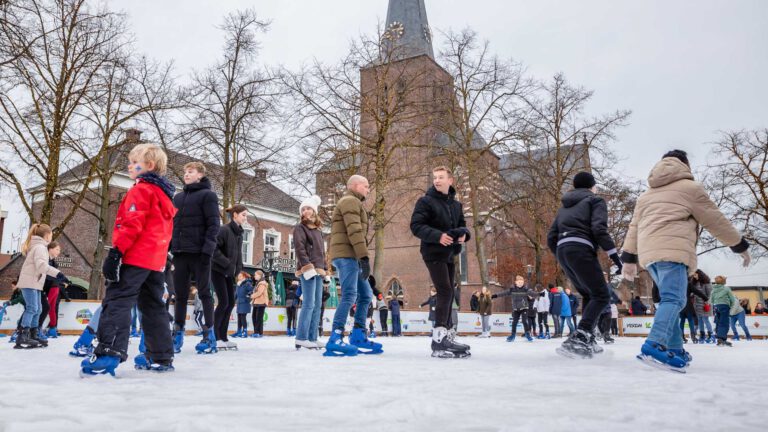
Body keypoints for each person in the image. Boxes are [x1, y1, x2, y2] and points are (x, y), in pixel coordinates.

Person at [622, 150, 751, 371]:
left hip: (650, 256)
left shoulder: (646, 195)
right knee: (675, 300)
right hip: (673, 251)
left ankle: (674, 347)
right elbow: (715, 219)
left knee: (670, 300)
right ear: (685, 166)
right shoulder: (690, 189)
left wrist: (629, 258)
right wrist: (738, 244)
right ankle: (654, 343)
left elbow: (634, 227)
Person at [80, 143, 177, 376]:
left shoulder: (141, 190)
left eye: (134, 162)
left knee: (117, 300)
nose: (129, 165)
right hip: (155, 262)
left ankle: (108, 353)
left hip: (135, 257)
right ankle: (161, 356)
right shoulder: (164, 195)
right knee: (153, 306)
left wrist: (116, 252)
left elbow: (131, 223)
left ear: (149, 166)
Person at [547, 171, 623, 358]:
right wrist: (615, 256)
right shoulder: (595, 201)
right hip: (581, 248)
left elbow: (551, 236)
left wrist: (560, 253)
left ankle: (588, 337)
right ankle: (580, 336)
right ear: (592, 186)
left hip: (563, 250)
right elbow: (599, 228)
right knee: (602, 295)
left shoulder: (564, 208)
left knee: (589, 294)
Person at [410, 166, 471, 358]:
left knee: (450, 290)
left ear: (450, 181)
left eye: (441, 177)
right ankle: (438, 338)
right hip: (433, 251)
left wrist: (464, 235)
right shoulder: (425, 201)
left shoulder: (456, 205)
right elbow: (416, 226)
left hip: (450, 253)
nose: (437, 180)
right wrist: (438, 237)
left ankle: (447, 334)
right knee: (444, 290)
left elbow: (463, 225)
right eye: (435, 177)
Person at [326, 175, 381, 356]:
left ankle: (358, 334)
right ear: (356, 186)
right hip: (347, 256)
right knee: (350, 295)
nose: (368, 189)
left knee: (365, 295)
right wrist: (364, 257)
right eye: (366, 186)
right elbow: (355, 230)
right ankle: (335, 336)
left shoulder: (354, 202)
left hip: (352, 256)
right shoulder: (350, 201)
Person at [170, 161, 220, 354]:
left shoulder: (208, 196)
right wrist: (170, 249)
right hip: (180, 253)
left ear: (200, 175)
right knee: (180, 295)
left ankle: (209, 336)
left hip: (200, 253)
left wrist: (208, 250)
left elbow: (213, 224)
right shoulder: (178, 197)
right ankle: (177, 333)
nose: (186, 175)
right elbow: (172, 225)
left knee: (205, 293)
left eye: (190, 171)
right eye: (185, 172)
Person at [15, 224, 69, 350]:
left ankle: (33, 334)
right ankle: (23, 335)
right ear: (47, 236)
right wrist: (59, 274)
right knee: (32, 308)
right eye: (51, 235)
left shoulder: (41, 247)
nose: (52, 237)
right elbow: (41, 266)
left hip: (35, 283)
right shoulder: (40, 247)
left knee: (38, 309)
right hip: (30, 282)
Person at [293, 195, 327, 350]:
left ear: (314, 210)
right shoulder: (300, 228)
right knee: (308, 303)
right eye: (303, 209)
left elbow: (322, 253)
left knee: (318, 304)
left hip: (319, 270)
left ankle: (312, 337)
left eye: (308, 208)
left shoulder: (319, 231)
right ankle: (301, 337)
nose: (306, 211)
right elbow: (299, 249)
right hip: (308, 269)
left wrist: (326, 271)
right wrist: (306, 266)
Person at [211, 204, 246, 352]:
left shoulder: (239, 233)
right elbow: (213, 248)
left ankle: (223, 337)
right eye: (243, 214)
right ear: (235, 215)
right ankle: (214, 336)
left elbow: (237, 254)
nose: (245, 217)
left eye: (246, 215)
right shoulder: (224, 230)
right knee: (224, 302)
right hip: (218, 270)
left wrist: (238, 268)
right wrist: (227, 264)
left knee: (230, 303)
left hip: (230, 273)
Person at [492, 275, 534, 342]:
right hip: (516, 309)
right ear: (516, 282)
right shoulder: (512, 290)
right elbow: (504, 293)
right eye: (519, 282)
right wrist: (495, 295)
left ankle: (527, 334)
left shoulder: (526, 289)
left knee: (524, 321)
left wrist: (532, 296)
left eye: (522, 282)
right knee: (514, 322)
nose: (520, 283)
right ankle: (512, 335)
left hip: (524, 308)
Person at [710, 276, 737, 347]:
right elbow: (732, 299)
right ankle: (721, 338)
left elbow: (711, 300)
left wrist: (716, 303)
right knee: (724, 322)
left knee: (718, 322)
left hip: (716, 306)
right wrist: (730, 305)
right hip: (724, 306)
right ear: (723, 281)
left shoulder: (713, 289)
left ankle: (721, 339)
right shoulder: (726, 288)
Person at [680, 278, 708, 344]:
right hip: (688, 305)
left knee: (681, 321)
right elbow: (697, 291)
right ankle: (693, 337)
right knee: (690, 320)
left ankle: (681, 337)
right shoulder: (688, 284)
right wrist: (705, 298)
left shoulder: (677, 284)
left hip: (680, 305)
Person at [692, 270, 715, 343]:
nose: (694, 276)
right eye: (694, 275)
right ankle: (702, 335)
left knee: (705, 320)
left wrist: (707, 302)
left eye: (695, 275)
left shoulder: (707, 283)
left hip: (705, 305)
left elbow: (710, 294)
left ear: (700, 275)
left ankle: (711, 335)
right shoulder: (694, 283)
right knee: (699, 320)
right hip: (697, 305)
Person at [233, 271, 253, 338]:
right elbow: (236, 293)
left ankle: (245, 332)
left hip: (245, 302)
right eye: (238, 276)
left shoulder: (247, 283)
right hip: (239, 302)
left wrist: (248, 295)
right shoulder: (238, 284)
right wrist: (233, 300)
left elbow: (251, 290)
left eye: (240, 276)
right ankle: (238, 331)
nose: (239, 277)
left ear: (244, 277)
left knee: (243, 317)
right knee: (239, 317)